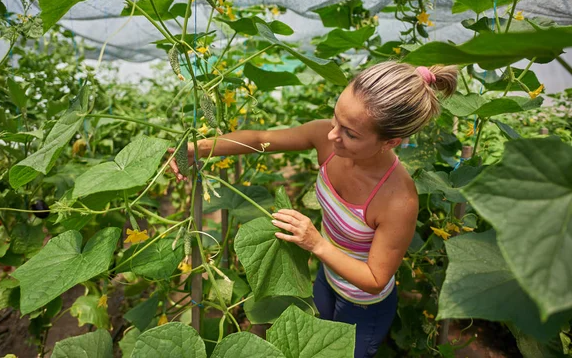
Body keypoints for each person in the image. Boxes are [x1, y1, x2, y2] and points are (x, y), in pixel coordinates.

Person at [168, 61, 458, 357]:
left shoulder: (399, 200)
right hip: (326, 276)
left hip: (363, 305)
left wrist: (315, 243)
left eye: (350, 133)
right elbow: (259, 141)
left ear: (390, 142)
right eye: (335, 119)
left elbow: (375, 280)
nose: (333, 136)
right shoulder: (326, 137)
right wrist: (198, 148)